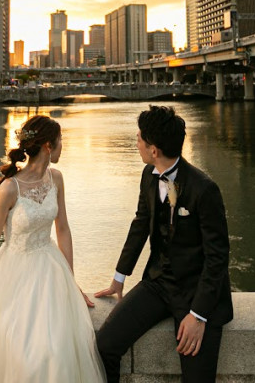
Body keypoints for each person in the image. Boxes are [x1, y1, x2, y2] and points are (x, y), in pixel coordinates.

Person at [0, 115, 105, 383]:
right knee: (21, 349)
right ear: (47, 145)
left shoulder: (56, 179)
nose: (62, 147)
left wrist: (71, 280)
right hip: (14, 273)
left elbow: (63, 229)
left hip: (50, 268)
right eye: (60, 142)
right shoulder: (9, 188)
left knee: (58, 347)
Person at [94, 106, 232, 383]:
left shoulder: (204, 189)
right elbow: (141, 224)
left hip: (196, 293)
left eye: (139, 139)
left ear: (153, 149)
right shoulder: (149, 174)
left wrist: (198, 315)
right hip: (158, 283)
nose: (137, 144)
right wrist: (119, 278)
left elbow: (217, 258)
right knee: (105, 345)